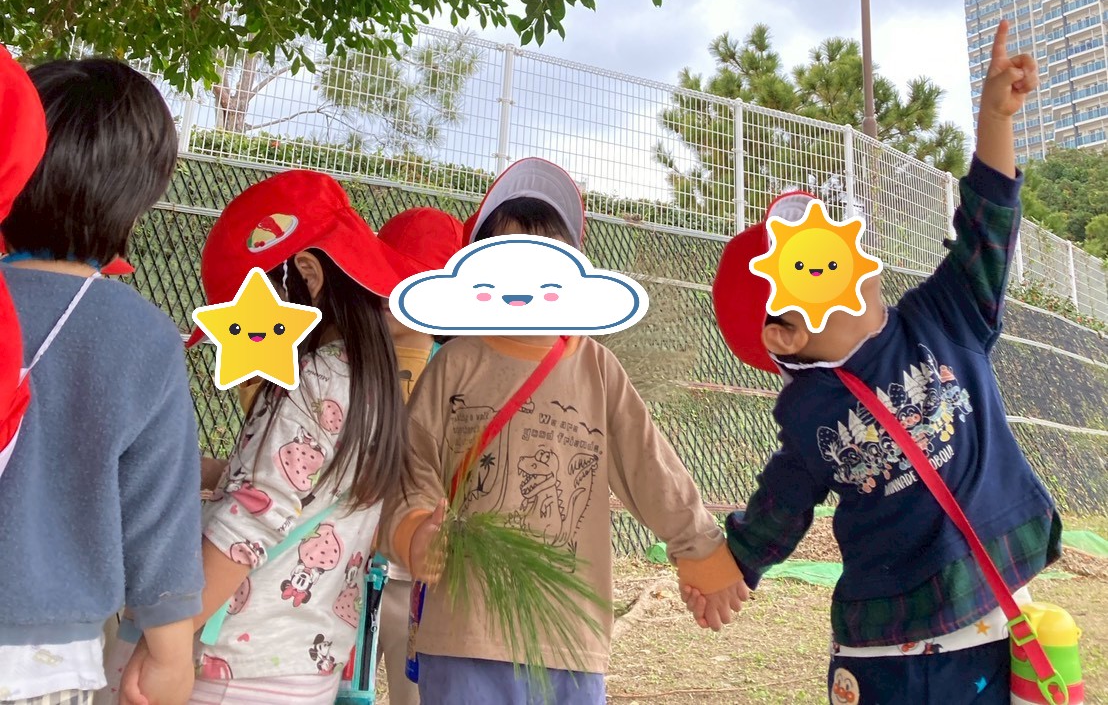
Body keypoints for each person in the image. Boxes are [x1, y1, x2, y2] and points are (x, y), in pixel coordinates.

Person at [694, 21, 1060, 704]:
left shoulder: (944, 314)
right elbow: (779, 507)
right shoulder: (807, 412)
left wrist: (994, 119)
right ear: (784, 337)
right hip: (881, 650)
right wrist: (728, 568)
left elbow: (987, 223)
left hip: (987, 622)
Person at [381, 157, 749, 705]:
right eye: (508, 257)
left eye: (546, 259)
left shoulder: (597, 368)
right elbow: (411, 466)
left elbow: (650, 466)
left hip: (568, 635)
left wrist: (700, 549)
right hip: (463, 629)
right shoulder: (456, 363)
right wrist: (414, 530)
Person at [108, 169, 413, 705]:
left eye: (248, 315)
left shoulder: (311, 379)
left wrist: (168, 641)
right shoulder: (368, 382)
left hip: (235, 663)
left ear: (307, 275)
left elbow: (252, 516)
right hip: (305, 659)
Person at [0, 57, 204, 705]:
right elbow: (159, 522)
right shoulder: (143, 338)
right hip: (47, 663)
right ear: (136, 203)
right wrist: (170, 655)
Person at [370, 205, 465, 705]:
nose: (388, 295)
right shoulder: (349, 363)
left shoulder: (458, 373)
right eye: (382, 275)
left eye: (407, 282)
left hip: (422, 578)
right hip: (348, 563)